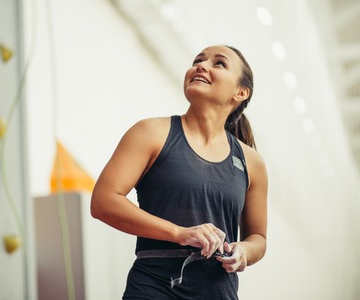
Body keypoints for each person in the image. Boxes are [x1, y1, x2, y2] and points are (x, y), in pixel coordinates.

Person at [90, 45, 268, 299]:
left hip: (219, 292)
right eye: (198, 60)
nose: (201, 65)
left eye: (219, 63)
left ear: (240, 92)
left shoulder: (252, 162)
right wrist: (180, 233)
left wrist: (244, 252)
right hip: (153, 289)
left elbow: (258, 237)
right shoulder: (150, 133)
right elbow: (103, 202)